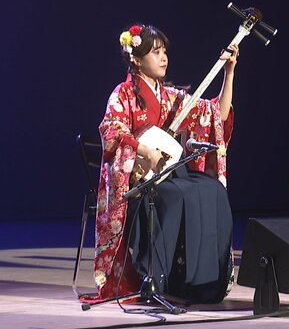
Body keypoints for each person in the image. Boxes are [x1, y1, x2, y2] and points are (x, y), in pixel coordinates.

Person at [81, 23, 239, 305]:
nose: (164, 57)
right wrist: (145, 151)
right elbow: (112, 132)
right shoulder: (123, 94)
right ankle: (159, 277)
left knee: (212, 190)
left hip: (168, 171)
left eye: (165, 51)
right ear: (136, 59)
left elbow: (215, 115)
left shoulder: (171, 97)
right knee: (179, 195)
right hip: (138, 178)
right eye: (156, 52)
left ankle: (199, 281)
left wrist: (229, 72)